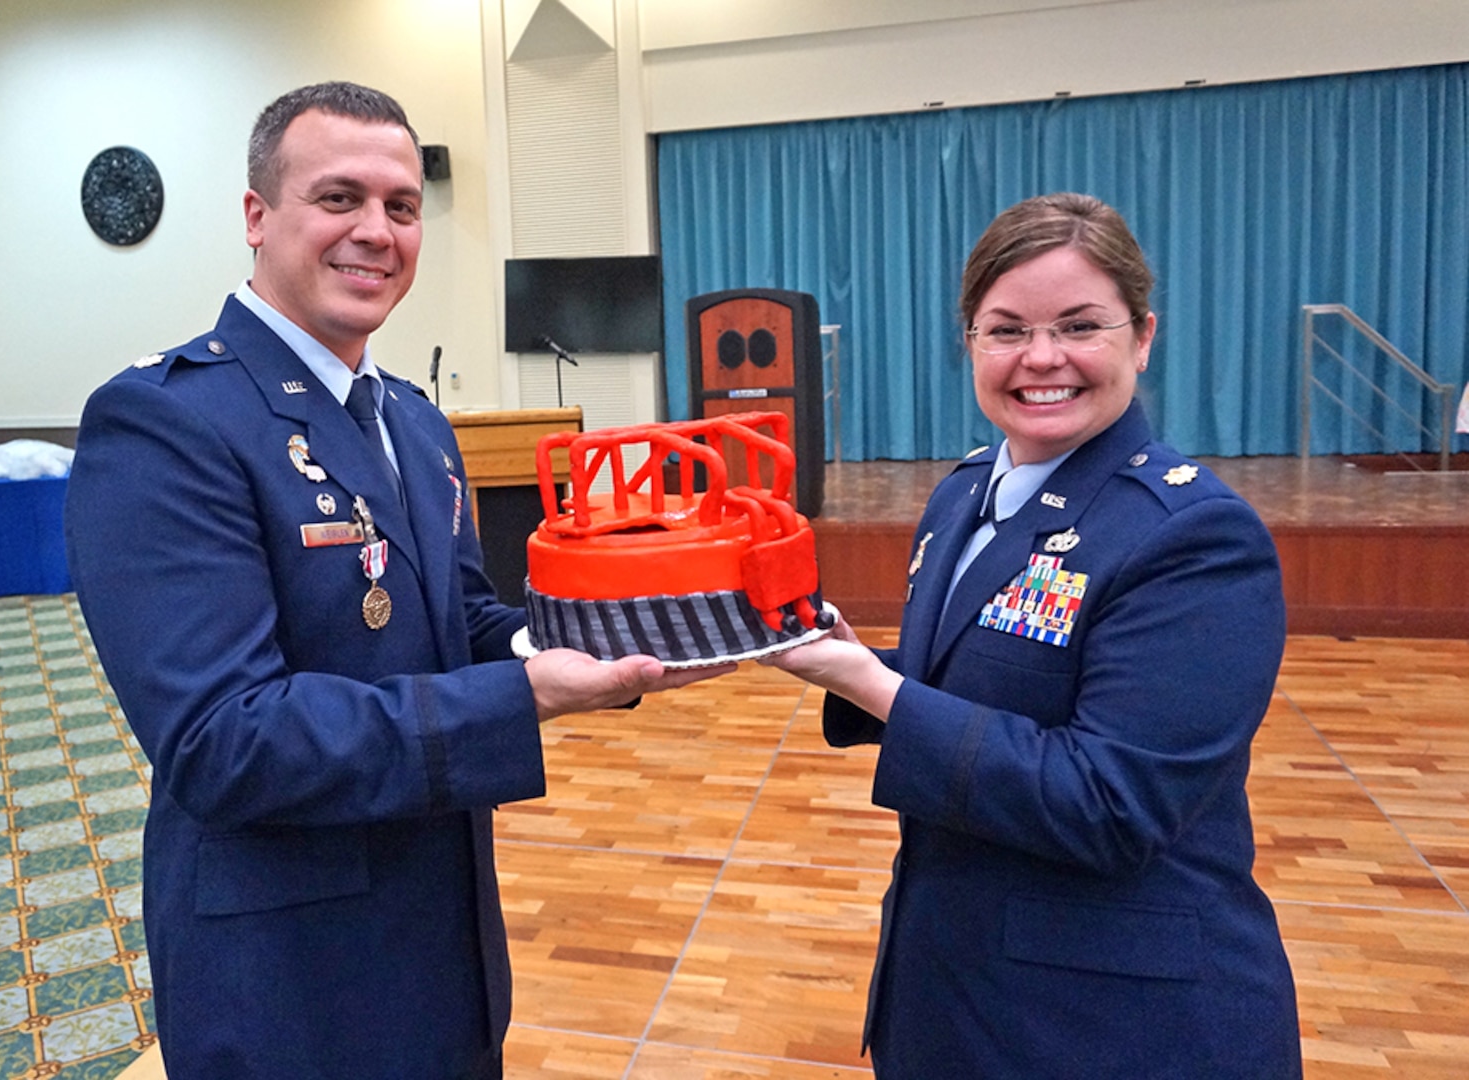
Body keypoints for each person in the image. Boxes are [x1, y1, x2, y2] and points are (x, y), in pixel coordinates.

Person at [65, 82, 725, 1079]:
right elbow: (221, 743)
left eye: (402, 206)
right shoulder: (166, 423)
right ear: (256, 216)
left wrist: (596, 637)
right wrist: (524, 695)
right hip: (293, 973)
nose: (376, 231)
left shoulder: (413, 420)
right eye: (339, 199)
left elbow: (456, 615)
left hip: (444, 944)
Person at [769, 193, 1301, 1077]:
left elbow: (1110, 802)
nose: (1041, 358)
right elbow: (987, 685)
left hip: (1110, 1022)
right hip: (953, 990)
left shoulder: (1193, 535)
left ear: (1141, 336)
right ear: (969, 344)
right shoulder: (963, 492)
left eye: (1079, 325)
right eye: (1005, 329)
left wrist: (872, 688)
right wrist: (831, 659)